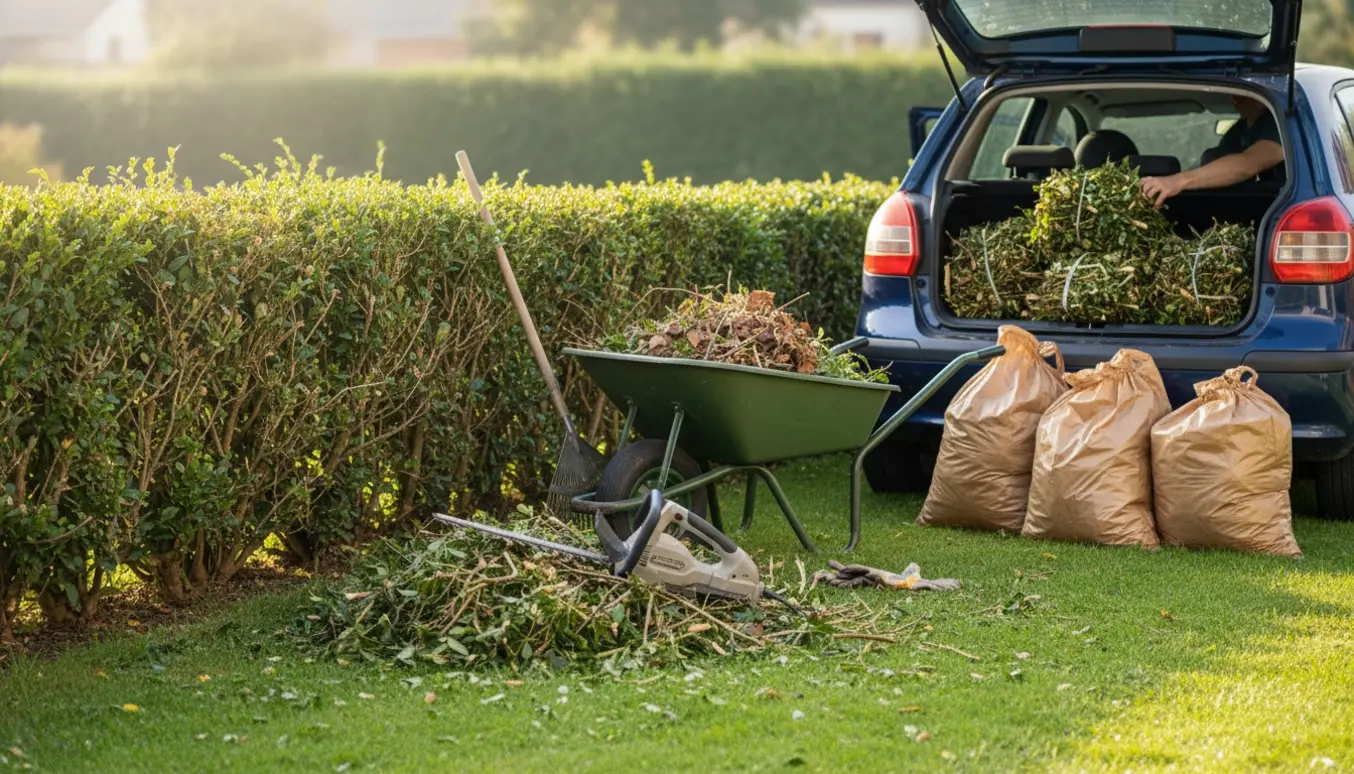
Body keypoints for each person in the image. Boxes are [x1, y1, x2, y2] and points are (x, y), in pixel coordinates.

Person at [1139, 96, 1284, 207]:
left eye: (1241, 97)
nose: (1235, 101)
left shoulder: (1278, 122)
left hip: (1277, 204)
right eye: (1233, 97)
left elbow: (1248, 164)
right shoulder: (1241, 128)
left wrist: (1177, 181)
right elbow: (1219, 158)